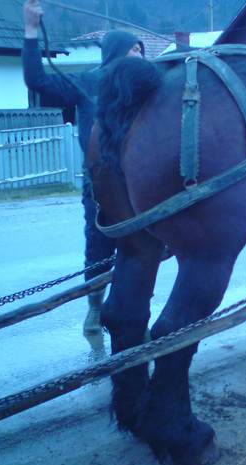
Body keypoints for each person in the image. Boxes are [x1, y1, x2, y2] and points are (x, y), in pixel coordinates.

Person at [22, 0, 145, 335]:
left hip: (143, 185)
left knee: (141, 251)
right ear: (116, 53)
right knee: (99, 249)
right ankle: (94, 308)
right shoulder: (87, 83)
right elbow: (35, 79)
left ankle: (132, 317)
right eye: (133, 50)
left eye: (141, 50)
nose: (139, 56)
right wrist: (31, 29)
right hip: (101, 185)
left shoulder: (148, 88)